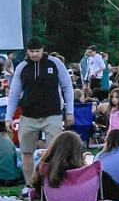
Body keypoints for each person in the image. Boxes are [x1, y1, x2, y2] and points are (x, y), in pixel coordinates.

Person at [5, 37, 74, 190]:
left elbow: (67, 87)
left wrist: (69, 111)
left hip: (53, 114)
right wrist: (9, 117)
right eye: (31, 51)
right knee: (26, 151)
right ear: (27, 52)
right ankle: (29, 185)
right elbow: (14, 93)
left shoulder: (55, 64)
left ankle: (52, 182)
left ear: (43, 50)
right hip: (28, 116)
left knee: (55, 151)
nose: (35, 54)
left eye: (37, 51)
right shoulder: (22, 67)